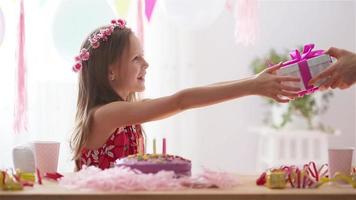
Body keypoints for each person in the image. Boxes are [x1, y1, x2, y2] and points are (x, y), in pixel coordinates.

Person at [70, 19, 300, 170]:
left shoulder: (120, 113)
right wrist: (252, 87)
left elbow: (185, 98)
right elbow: (181, 101)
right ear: (111, 70)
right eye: (136, 58)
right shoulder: (107, 114)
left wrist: (253, 81)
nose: (146, 64)